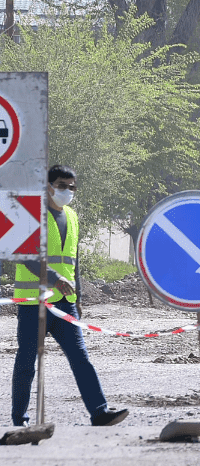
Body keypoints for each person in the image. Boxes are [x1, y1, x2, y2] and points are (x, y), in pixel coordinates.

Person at [12, 165, 128, 427]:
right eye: (62, 185)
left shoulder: (73, 216)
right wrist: (55, 279)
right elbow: (26, 256)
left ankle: (100, 412)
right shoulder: (30, 215)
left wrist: (79, 299)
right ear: (48, 186)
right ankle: (19, 419)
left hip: (66, 304)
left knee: (80, 357)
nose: (68, 191)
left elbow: (71, 261)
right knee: (27, 361)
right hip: (34, 302)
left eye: (72, 187)